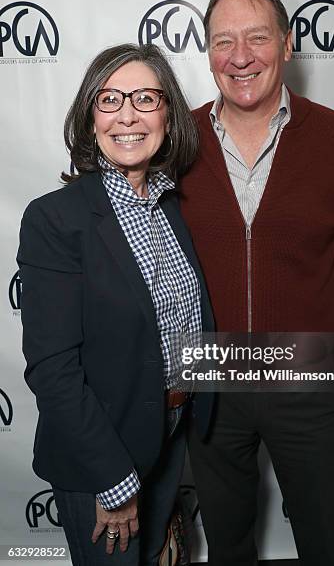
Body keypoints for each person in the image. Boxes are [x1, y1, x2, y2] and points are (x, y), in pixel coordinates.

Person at [180, 0, 334, 566]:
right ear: (208, 51)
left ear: (288, 44)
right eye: (223, 40)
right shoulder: (179, 141)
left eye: (258, 37)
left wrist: (300, 294)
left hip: (305, 370)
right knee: (227, 541)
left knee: (322, 539)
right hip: (210, 372)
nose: (241, 56)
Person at [17, 43, 213, 566]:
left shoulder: (170, 206)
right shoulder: (55, 219)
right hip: (101, 456)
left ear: (168, 116)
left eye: (146, 98)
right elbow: (53, 368)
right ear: (89, 116)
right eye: (110, 99)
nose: (128, 114)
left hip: (170, 435)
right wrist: (115, 481)